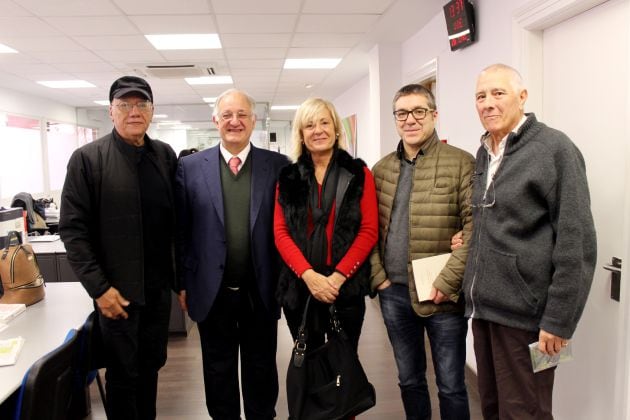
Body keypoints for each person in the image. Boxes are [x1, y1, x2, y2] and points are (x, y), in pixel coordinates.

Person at [463, 63, 597, 419]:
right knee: (492, 407)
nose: (488, 103)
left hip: (528, 319)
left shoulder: (554, 150)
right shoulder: (484, 152)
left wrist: (558, 320)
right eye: (480, 96)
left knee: (526, 412)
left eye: (498, 93)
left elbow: (577, 242)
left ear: (522, 97)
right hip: (485, 310)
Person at [60, 75, 177, 419]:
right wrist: (100, 290)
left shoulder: (165, 157)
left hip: (156, 294)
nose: (133, 112)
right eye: (124, 105)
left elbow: (176, 225)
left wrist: (179, 281)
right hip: (116, 296)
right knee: (123, 376)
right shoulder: (87, 160)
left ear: (152, 111)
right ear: (111, 112)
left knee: (151, 369)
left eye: (141, 104)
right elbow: (73, 231)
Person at [175, 88, 289, 420]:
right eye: (227, 115)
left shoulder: (278, 166)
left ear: (253, 121)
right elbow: (181, 232)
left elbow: (288, 229)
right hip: (212, 290)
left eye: (242, 115)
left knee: (261, 370)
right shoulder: (190, 167)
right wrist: (183, 282)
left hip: (261, 289)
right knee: (218, 371)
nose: (234, 122)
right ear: (216, 120)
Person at [370, 84, 474, 420]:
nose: (410, 120)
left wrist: (449, 281)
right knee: (409, 379)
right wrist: (379, 279)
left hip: (442, 294)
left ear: (434, 115)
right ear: (395, 119)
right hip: (395, 294)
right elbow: (367, 230)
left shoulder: (461, 163)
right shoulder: (382, 169)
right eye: (402, 113)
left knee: (451, 384)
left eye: (419, 111)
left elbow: (475, 227)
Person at [274, 97, 378, 357]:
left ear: (336, 128)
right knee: (306, 363)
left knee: (343, 364)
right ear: (301, 134)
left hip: (344, 288)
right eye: (309, 125)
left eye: (324, 122)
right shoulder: (288, 177)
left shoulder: (358, 173)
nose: (318, 130)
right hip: (300, 289)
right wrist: (309, 276)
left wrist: (338, 277)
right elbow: (280, 232)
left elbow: (368, 230)